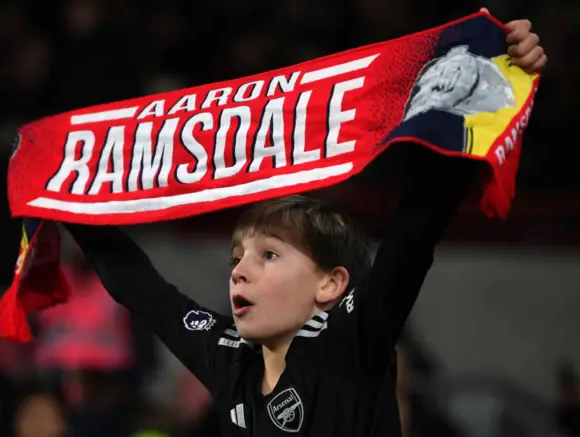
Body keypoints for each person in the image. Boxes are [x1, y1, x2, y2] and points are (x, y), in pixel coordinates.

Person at [62, 15, 547, 437]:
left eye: (267, 255)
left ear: (331, 284)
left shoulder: (351, 341)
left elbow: (414, 233)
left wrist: (485, 77)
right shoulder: (227, 355)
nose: (239, 272)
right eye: (237, 258)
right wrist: (57, 190)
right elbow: (138, 285)